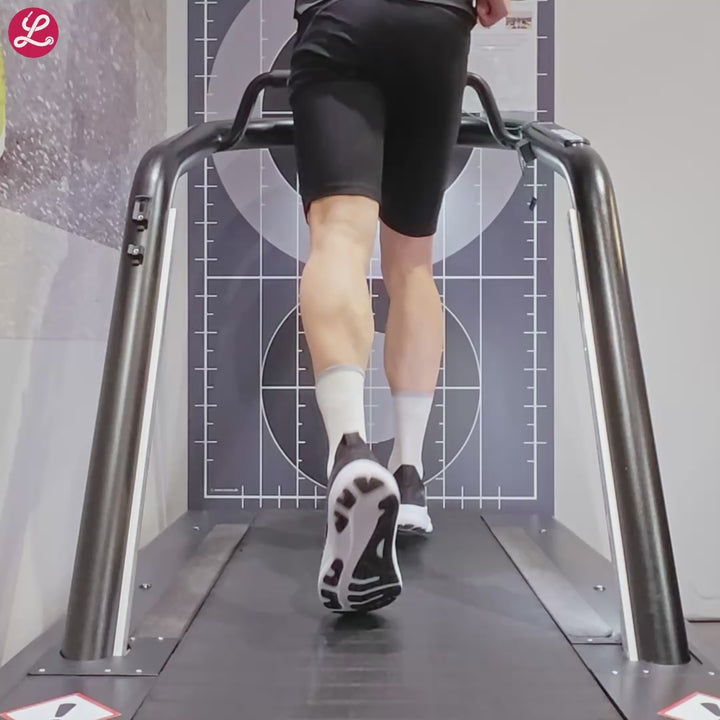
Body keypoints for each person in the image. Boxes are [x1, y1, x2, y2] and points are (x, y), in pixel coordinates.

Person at [289, 0, 510, 613]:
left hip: (346, 18)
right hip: (435, 24)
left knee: (340, 235)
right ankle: (408, 478)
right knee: (412, 264)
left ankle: (351, 451)